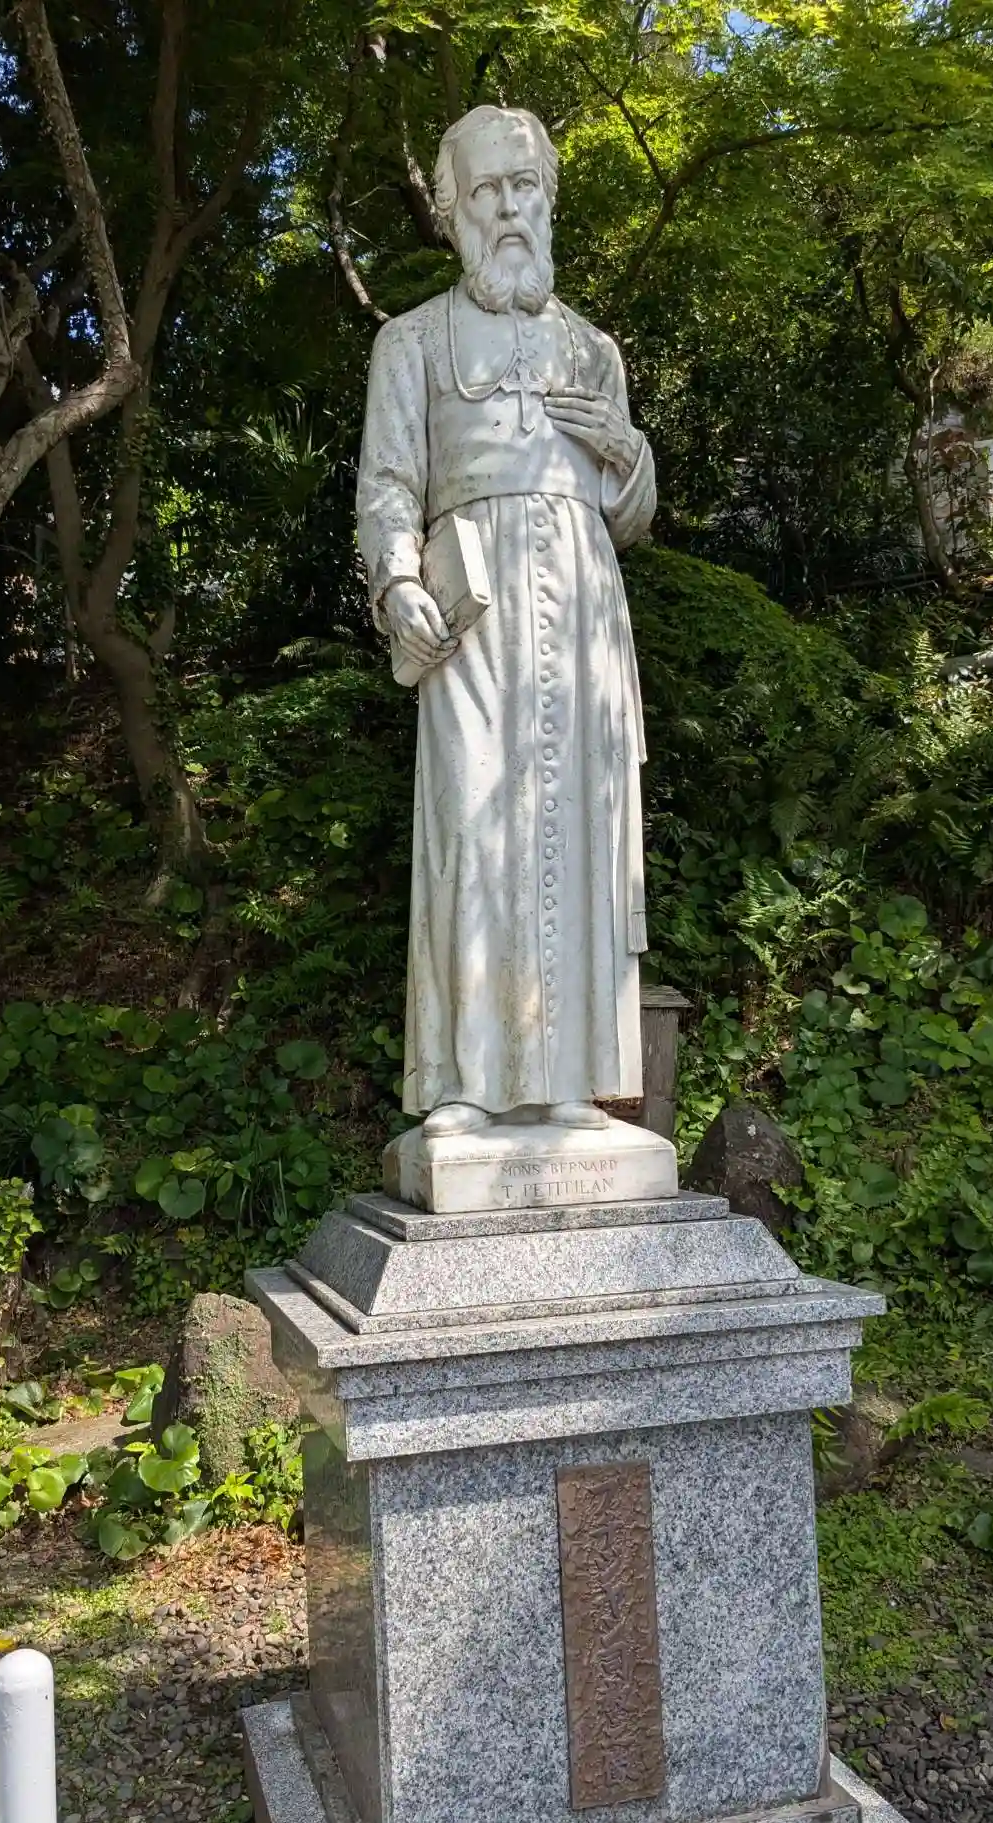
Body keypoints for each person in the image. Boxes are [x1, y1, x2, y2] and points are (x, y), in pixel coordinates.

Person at [356, 104, 656, 1140]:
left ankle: (571, 1083)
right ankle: (464, 1085)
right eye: (487, 190)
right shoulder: (411, 341)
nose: (509, 208)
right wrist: (399, 584)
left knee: (578, 828)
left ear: (550, 201)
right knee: (471, 823)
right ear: (453, 212)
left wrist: (628, 453)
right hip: (471, 613)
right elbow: (388, 486)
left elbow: (628, 517)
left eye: (525, 187)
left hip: (583, 611)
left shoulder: (594, 351)